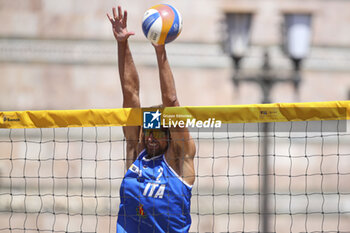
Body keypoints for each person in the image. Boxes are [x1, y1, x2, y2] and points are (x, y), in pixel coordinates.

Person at [107, 6, 196, 233]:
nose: (150, 137)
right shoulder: (136, 154)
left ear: (170, 136)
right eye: (148, 131)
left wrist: (160, 51)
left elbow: (172, 101)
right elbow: (131, 93)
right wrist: (122, 43)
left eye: (157, 132)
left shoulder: (179, 159)